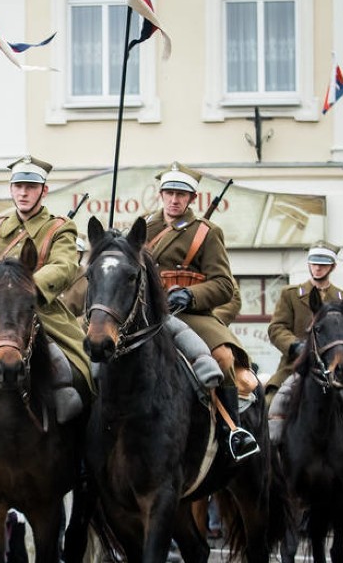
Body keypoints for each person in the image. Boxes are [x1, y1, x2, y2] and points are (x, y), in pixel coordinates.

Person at [0, 155, 93, 424]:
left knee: (78, 371)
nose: (24, 192)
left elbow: (65, 265)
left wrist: (26, 287)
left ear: (43, 191)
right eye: (18, 186)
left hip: (40, 311)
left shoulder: (60, 228)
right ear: (11, 188)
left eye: (31, 187)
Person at [142, 162, 258, 462]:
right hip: (147, 312)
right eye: (169, 192)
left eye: (181, 194)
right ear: (161, 194)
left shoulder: (207, 232)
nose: (174, 199)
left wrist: (191, 294)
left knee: (222, 357)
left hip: (188, 313)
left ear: (192, 198)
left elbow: (224, 285)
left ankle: (232, 430)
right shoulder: (142, 228)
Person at [266, 241, 343, 489]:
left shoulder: (342, 298)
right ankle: (265, 465)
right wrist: (295, 346)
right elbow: (276, 328)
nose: (317, 268)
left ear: (333, 266)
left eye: (323, 263)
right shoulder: (291, 294)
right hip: (297, 367)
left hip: (332, 369)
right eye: (314, 262)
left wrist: (342, 352)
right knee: (269, 404)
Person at [59, 235, 89, 321]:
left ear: (79, 255)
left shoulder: (88, 280)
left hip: (72, 330)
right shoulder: (53, 273)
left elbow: (88, 316)